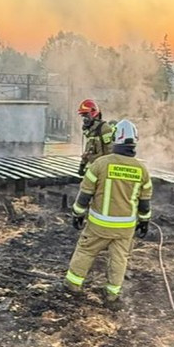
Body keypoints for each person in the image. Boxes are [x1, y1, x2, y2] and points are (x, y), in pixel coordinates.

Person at [64, 119, 153, 309]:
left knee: (86, 251)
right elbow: (144, 203)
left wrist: (77, 214)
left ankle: (73, 285)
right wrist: (144, 222)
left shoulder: (101, 164)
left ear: (115, 139)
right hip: (125, 228)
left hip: (99, 225)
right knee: (119, 258)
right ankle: (112, 294)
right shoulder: (142, 169)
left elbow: (85, 193)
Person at [76, 99, 116, 176]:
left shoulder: (104, 128)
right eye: (83, 116)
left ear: (94, 113)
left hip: (101, 170)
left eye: (86, 115)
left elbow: (110, 151)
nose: (85, 119)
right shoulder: (91, 131)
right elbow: (88, 151)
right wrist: (82, 165)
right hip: (91, 170)